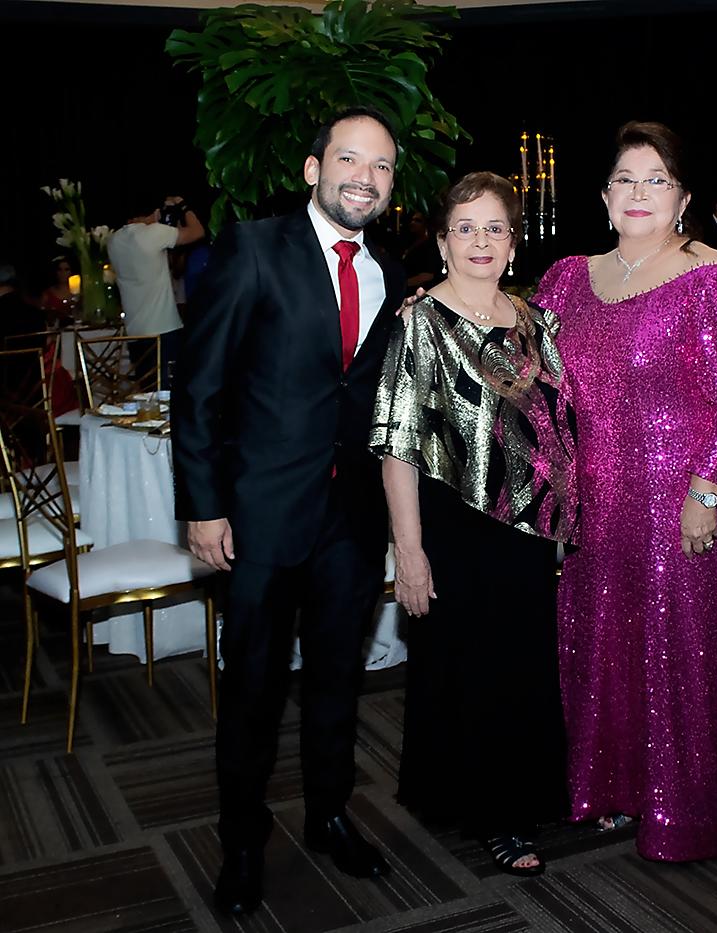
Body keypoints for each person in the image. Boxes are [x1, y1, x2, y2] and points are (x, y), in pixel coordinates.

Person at [173, 107, 406, 916]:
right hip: (261, 519)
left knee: (339, 683)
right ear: (313, 169)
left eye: (379, 167)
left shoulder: (392, 269)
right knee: (253, 694)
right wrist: (203, 507)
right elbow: (197, 386)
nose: (363, 178)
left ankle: (331, 812)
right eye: (349, 160)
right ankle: (242, 844)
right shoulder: (252, 247)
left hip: (350, 518)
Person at [534, 121, 717, 862]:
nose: (638, 193)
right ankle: (611, 789)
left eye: (656, 180)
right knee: (602, 640)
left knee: (679, 647)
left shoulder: (709, 281)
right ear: (604, 198)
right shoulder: (567, 279)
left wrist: (706, 491)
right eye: (625, 180)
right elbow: (540, 386)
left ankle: (688, 806)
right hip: (596, 500)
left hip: (679, 497)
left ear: (682, 199)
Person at [372, 172, 578, 876]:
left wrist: (557, 523)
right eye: (466, 228)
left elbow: (557, 429)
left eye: (495, 228)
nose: (480, 241)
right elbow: (396, 446)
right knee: (469, 668)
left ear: (514, 243)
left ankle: (513, 797)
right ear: (441, 241)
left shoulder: (536, 323)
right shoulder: (419, 324)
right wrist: (410, 551)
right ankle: (499, 817)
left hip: (525, 530)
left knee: (521, 667)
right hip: (452, 528)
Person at [107, 194, 205, 375]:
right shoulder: (154, 233)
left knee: (146, 392)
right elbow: (197, 231)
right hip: (163, 328)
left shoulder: (114, 240)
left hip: (135, 332)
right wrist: (183, 206)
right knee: (169, 393)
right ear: (155, 211)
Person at [40, 256, 77, 324]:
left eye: (66, 269)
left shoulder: (78, 292)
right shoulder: (47, 294)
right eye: (59, 269)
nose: (63, 273)